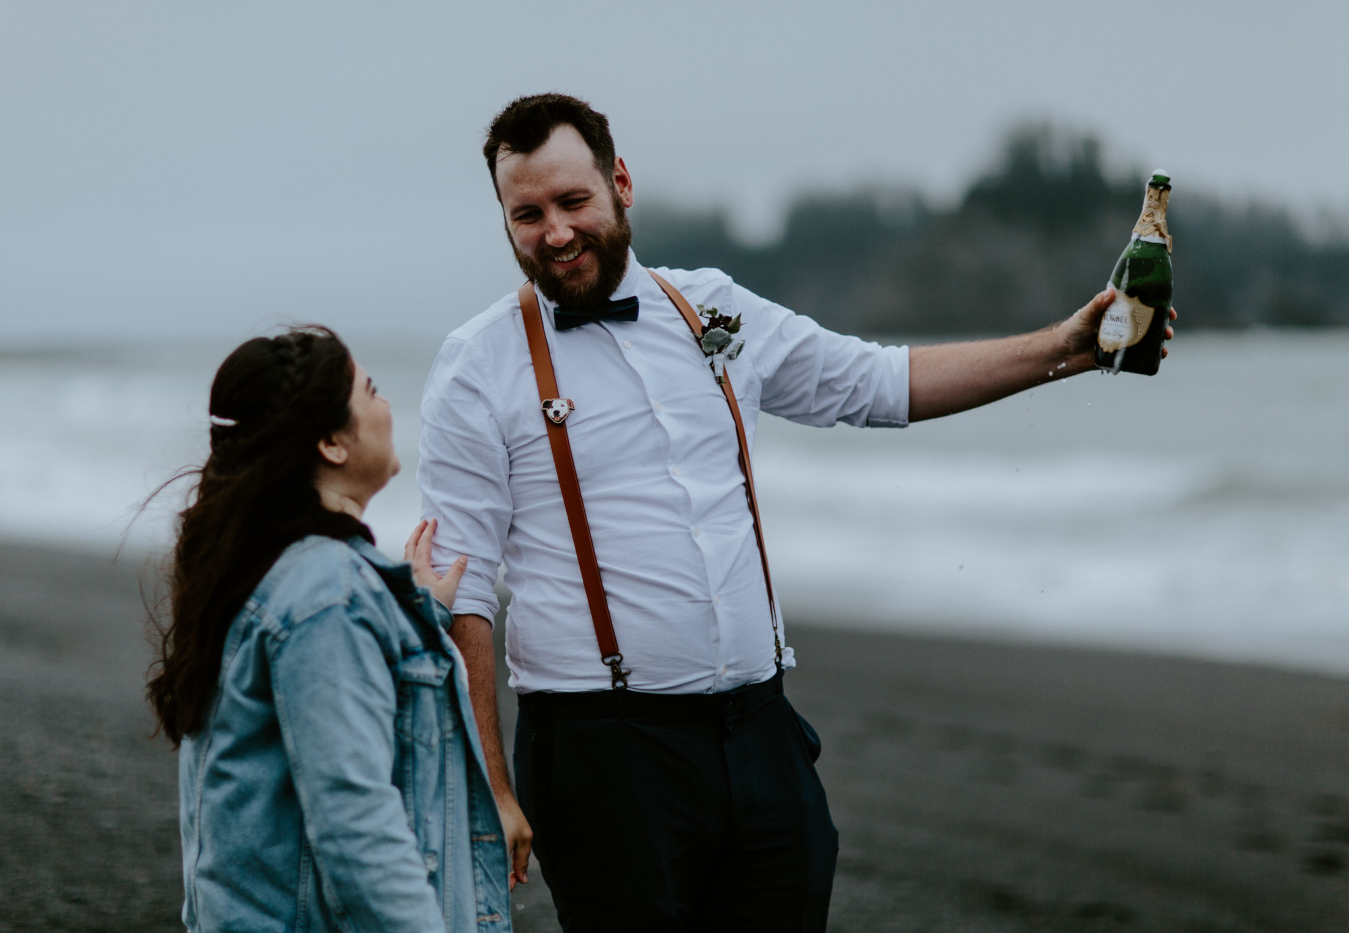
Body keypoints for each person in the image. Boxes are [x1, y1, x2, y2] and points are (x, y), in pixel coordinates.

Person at [416, 94, 1175, 932]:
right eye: (527, 214)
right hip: (603, 754)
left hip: (760, 731)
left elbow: (878, 382)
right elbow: (463, 590)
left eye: (572, 202)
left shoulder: (710, 309)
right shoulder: (477, 366)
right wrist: (491, 784)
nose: (554, 232)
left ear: (620, 182)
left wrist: (1066, 348)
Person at [145, 326, 512, 933]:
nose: (387, 405)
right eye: (370, 391)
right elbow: (355, 822)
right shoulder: (328, 595)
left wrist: (421, 612)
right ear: (332, 443)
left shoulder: (270, 567)